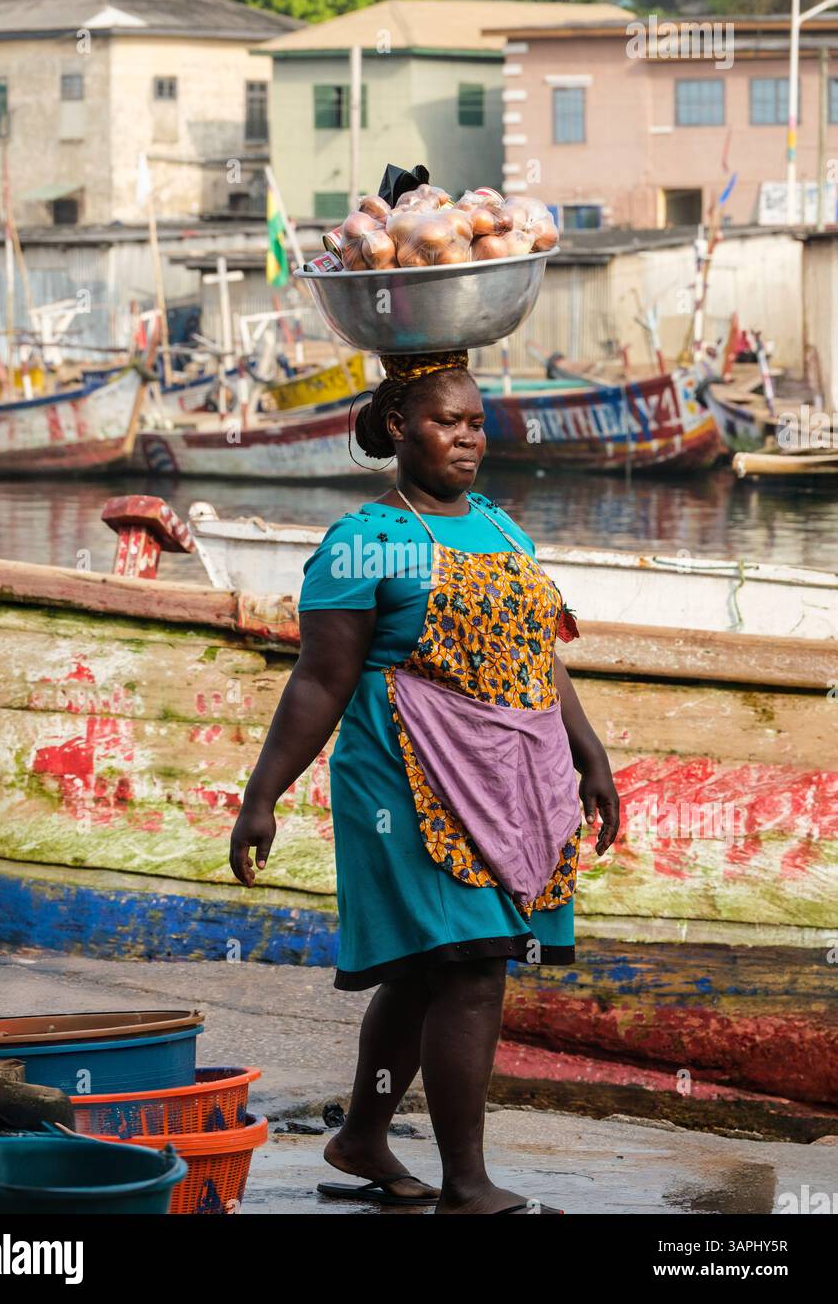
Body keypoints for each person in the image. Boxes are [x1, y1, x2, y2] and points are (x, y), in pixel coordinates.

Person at [229, 349, 620, 1215]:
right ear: (399, 427)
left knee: (425, 970)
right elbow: (320, 678)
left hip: (507, 767)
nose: (468, 438)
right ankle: (466, 1185)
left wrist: (589, 755)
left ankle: (362, 1136)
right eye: (447, 421)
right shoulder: (364, 538)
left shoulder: (501, 527)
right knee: (473, 967)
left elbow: (537, 655)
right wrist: (262, 798)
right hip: (402, 771)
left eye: (477, 422)